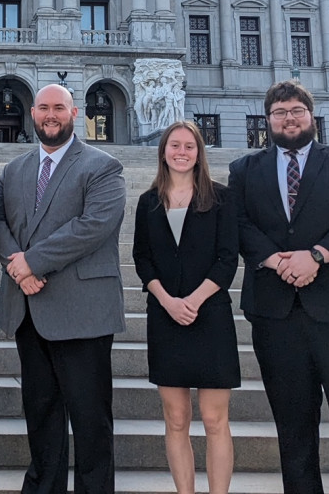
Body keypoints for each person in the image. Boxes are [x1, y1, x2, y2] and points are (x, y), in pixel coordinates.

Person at [228, 80, 329, 494]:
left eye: (296, 110)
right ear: (268, 120)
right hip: (277, 314)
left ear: (311, 115)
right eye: (280, 112)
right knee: (293, 426)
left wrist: (316, 255)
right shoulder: (244, 170)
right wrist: (274, 260)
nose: (289, 118)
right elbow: (239, 224)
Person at [0, 84, 126, 494]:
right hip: (29, 309)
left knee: (90, 419)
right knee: (41, 413)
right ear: (32, 113)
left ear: (75, 112)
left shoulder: (104, 166)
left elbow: (93, 227)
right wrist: (18, 267)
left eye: (60, 108)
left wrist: (32, 261)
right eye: (44, 108)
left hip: (83, 311)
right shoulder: (14, 169)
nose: (51, 115)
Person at [131, 120, 240, 494]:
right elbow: (142, 260)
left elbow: (228, 259)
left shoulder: (222, 198)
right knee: (176, 418)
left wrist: (192, 300)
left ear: (199, 153)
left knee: (214, 419)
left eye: (189, 146)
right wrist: (167, 301)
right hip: (165, 317)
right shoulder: (148, 202)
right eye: (174, 145)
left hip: (210, 315)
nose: (181, 152)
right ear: (163, 151)